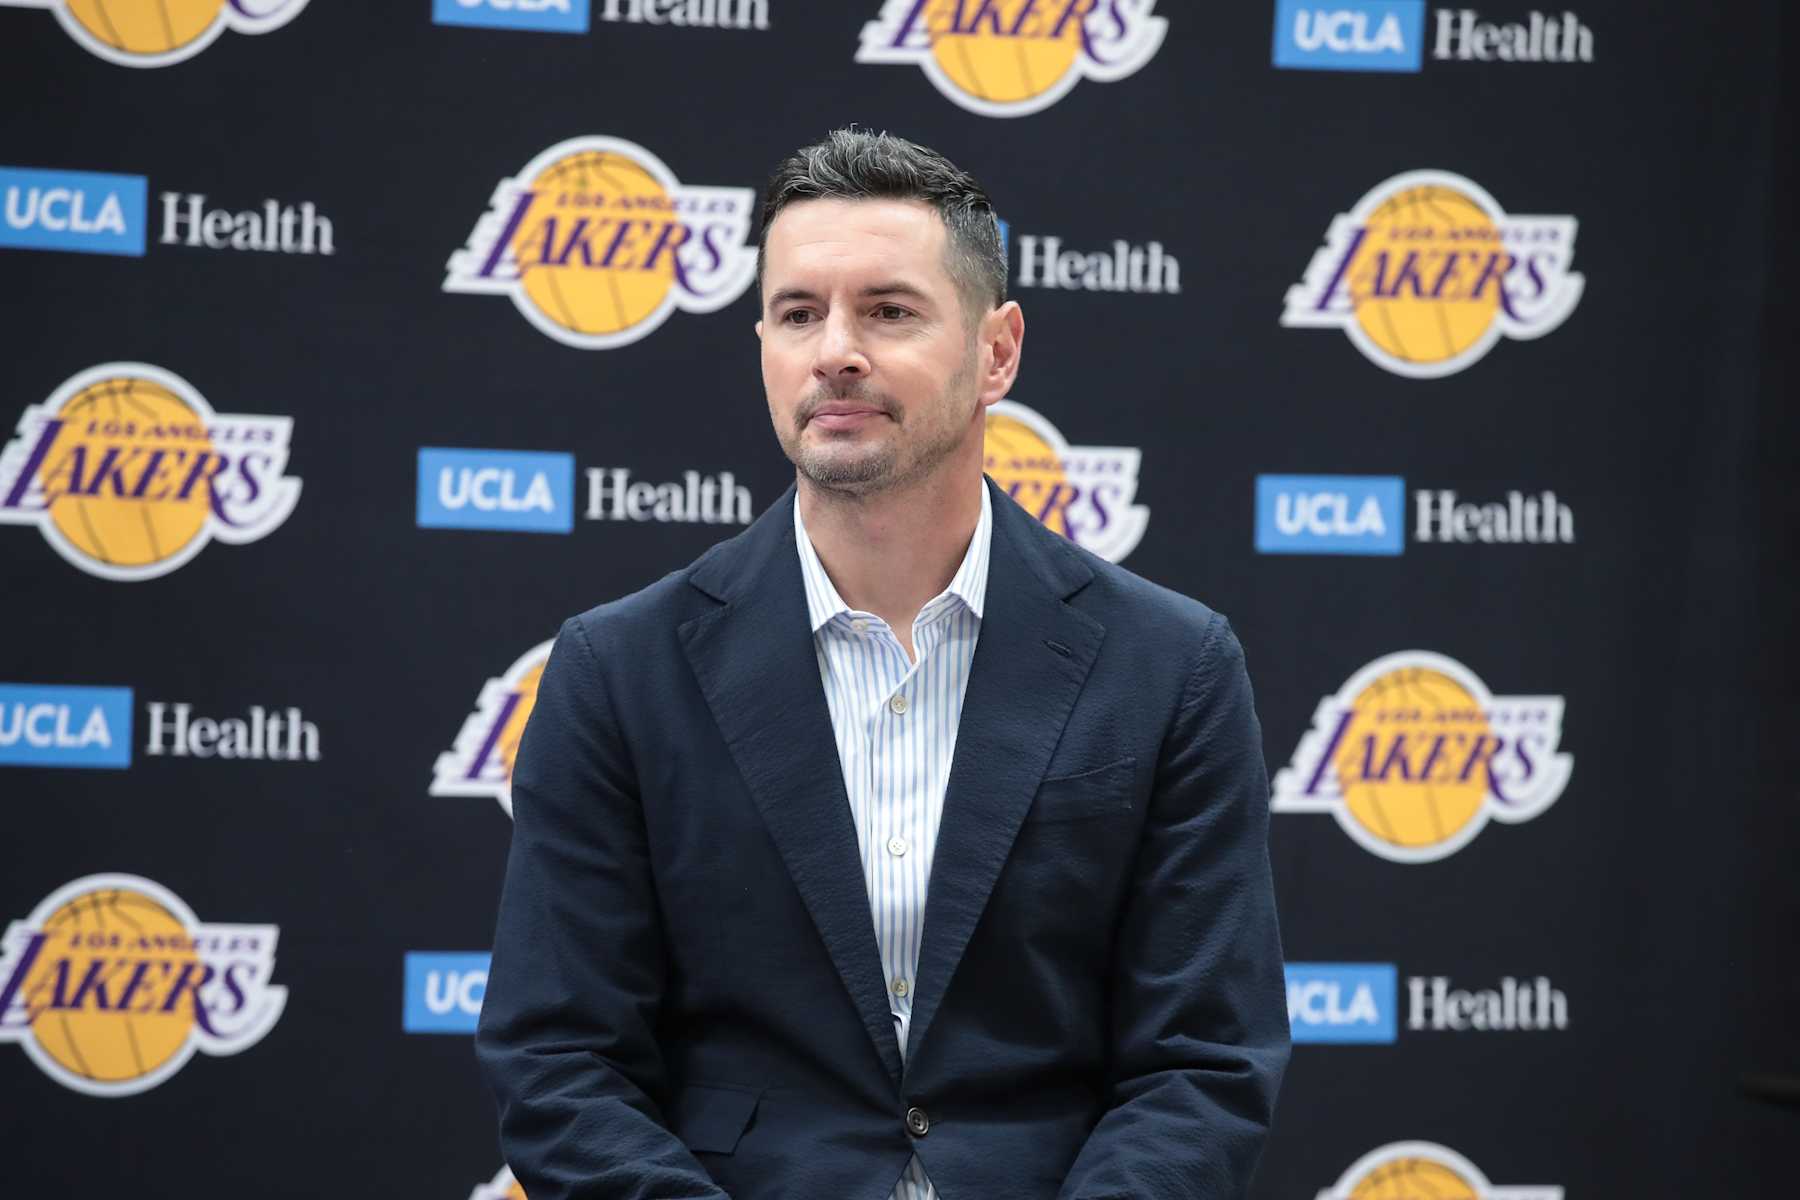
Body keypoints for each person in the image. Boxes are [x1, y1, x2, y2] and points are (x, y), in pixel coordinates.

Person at [475, 128, 1290, 1200]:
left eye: (889, 311)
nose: (835, 352)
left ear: (997, 351)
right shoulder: (618, 671)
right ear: (761, 344)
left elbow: (1203, 1061)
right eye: (798, 313)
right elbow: (560, 1060)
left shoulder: (1173, 665)